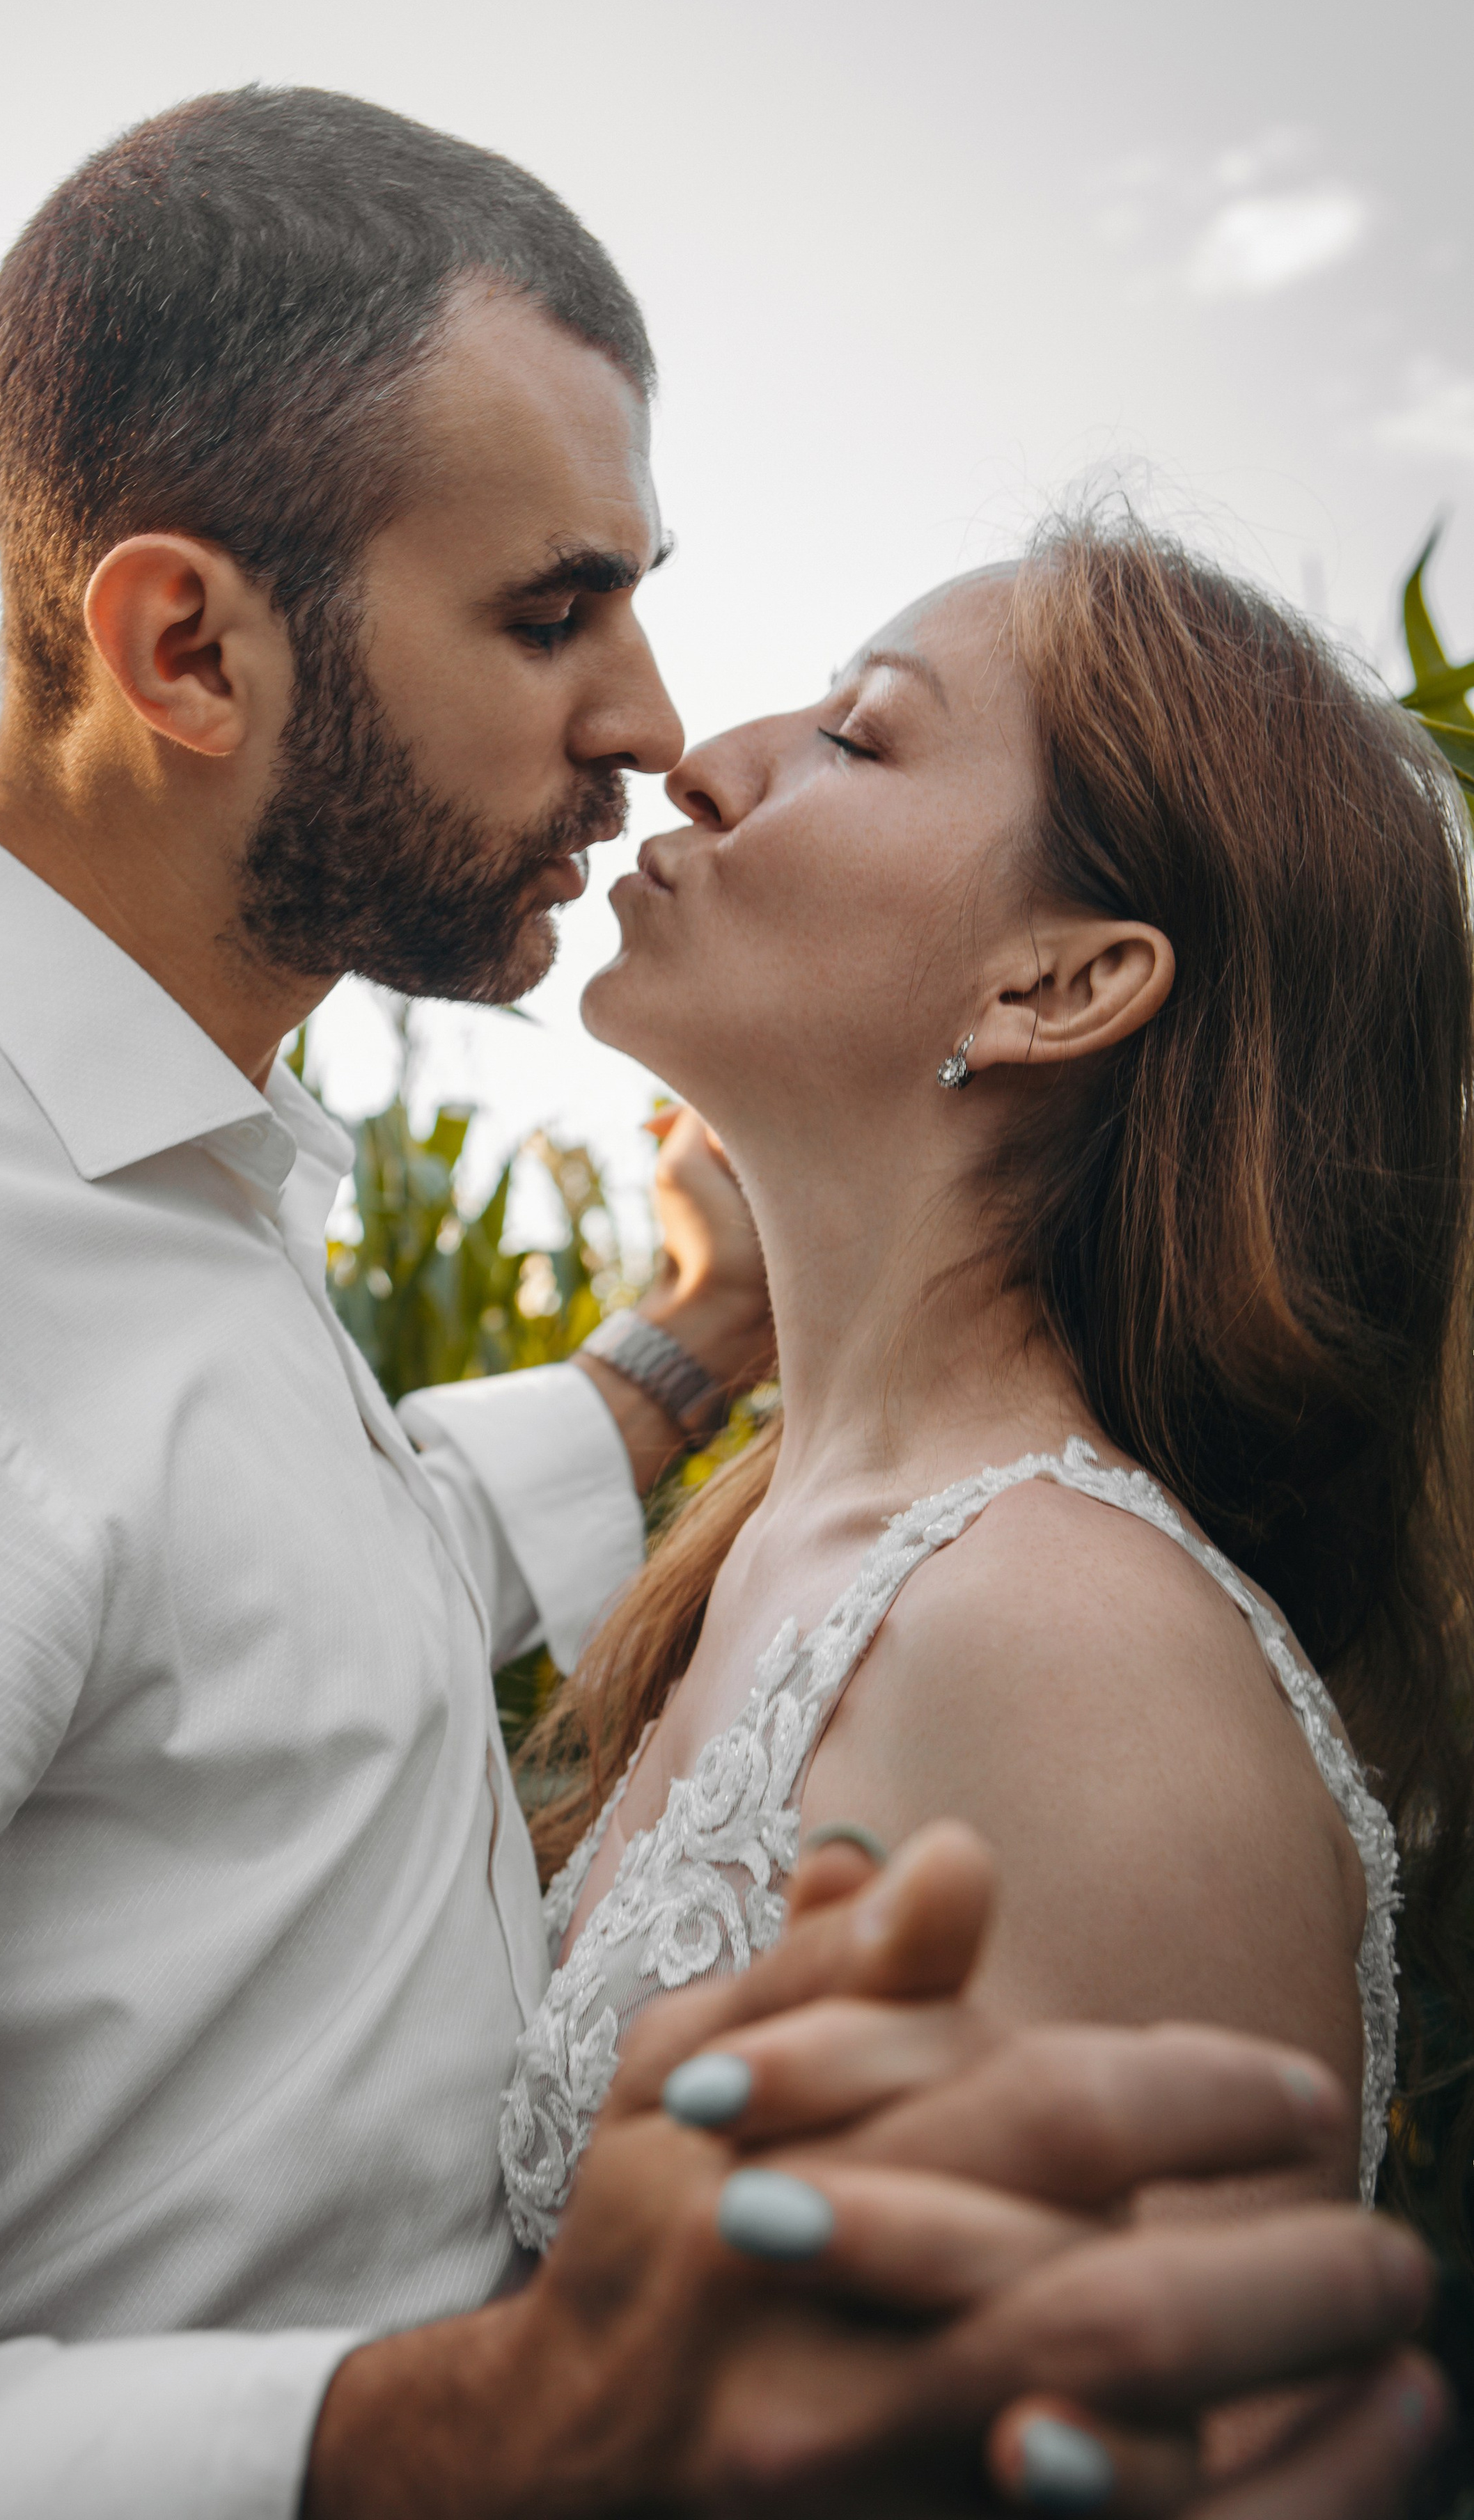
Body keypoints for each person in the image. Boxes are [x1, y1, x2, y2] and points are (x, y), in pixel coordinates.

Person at [0, 88, 1447, 2520]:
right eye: (550, 613)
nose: (650, 724)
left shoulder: (146, 1186)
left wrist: (678, 1361)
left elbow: (251, 1601)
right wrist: (453, 2443)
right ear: (186, 643)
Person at [508, 525, 1474, 2286]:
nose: (705, 764)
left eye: (856, 738)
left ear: (1057, 983)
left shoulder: (1070, 1655)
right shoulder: (784, 1545)